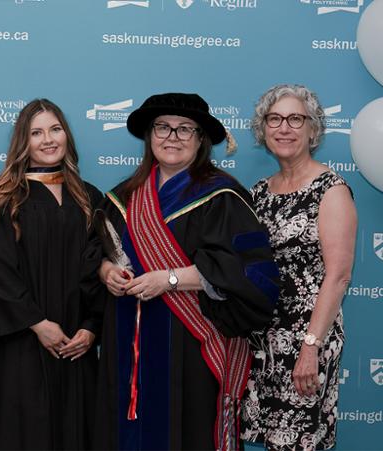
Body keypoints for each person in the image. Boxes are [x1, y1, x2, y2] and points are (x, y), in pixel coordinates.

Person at [93, 93, 280, 451]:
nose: (172, 137)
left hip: (192, 341)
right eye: (163, 127)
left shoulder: (222, 196)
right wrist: (105, 271)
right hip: (128, 338)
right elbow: (95, 251)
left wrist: (171, 279)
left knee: (187, 429)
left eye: (184, 129)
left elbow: (250, 272)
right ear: (150, 136)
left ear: (200, 139)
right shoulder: (123, 196)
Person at [0, 98, 105, 450]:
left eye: (55, 129)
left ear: (67, 135)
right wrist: (38, 323)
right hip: (20, 342)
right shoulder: (4, 199)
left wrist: (91, 327)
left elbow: (100, 268)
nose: (48, 139)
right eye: (36, 132)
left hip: (75, 344)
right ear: (23, 141)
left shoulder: (90, 198)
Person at [240, 85, 357, 451]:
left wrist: (310, 347)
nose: (284, 128)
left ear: (312, 129)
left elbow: (338, 275)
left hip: (308, 338)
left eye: (295, 119)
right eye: (274, 119)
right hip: (263, 340)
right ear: (263, 129)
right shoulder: (258, 192)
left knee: (298, 443)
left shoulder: (330, 189)